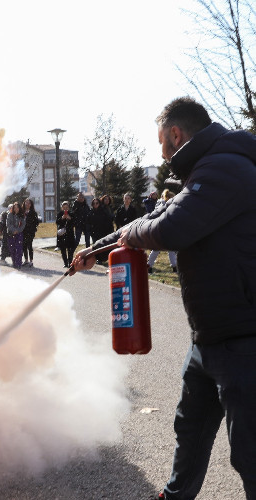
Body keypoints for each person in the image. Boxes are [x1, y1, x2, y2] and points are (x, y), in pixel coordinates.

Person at [71, 96, 256, 500]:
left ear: (176, 134)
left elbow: (172, 227)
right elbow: (149, 219)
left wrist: (128, 238)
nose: (161, 153)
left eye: (161, 144)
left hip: (244, 338)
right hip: (209, 335)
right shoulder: (202, 173)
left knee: (250, 453)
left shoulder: (225, 167)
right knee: (189, 430)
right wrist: (95, 251)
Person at [147, 189, 177, 273]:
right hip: (161, 228)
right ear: (169, 198)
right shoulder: (163, 205)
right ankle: (149, 266)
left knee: (169, 248)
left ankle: (174, 266)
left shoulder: (161, 204)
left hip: (166, 228)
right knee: (157, 248)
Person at [89, 197, 113, 264]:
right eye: (94, 203)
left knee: (101, 246)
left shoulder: (103, 211)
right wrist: (90, 230)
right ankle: (97, 259)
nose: (95, 204)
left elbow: (107, 220)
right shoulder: (91, 212)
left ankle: (101, 260)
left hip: (102, 232)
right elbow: (88, 222)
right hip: (94, 232)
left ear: (99, 203)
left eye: (97, 203)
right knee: (95, 246)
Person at [56, 201, 76, 268]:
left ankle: (70, 262)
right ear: (62, 208)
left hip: (69, 234)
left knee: (70, 249)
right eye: (64, 208)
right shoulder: (60, 214)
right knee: (63, 249)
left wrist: (70, 218)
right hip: (62, 234)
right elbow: (57, 222)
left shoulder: (71, 214)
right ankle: (65, 263)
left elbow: (74, 223)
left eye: (66, 208)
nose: (65, 209)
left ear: (69, 208)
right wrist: (62, 218)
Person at [6, 201, 25, 270]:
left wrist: (18, 230)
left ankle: (19, 263)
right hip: (11, 234)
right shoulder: (10, 215)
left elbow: (23, 225)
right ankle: (14, 262)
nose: (16, 209)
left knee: (19, 249)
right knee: (12, 249)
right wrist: (13, 230)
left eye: (17, 208)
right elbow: (8, 224)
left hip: (19, 234)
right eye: (15, 208)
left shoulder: (22, 215)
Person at [21, 198, 39, 267]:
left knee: (29, 246)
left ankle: (31, 260)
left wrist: (32, 227)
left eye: (29, 203)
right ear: (24, 203)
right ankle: (26, 260)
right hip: (23, 231)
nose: (27, 204)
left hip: (30, 232)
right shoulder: (22, 212)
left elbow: (37, 222)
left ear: (31, 204)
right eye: (26, 203)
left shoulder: (33, 212)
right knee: (24, 246)